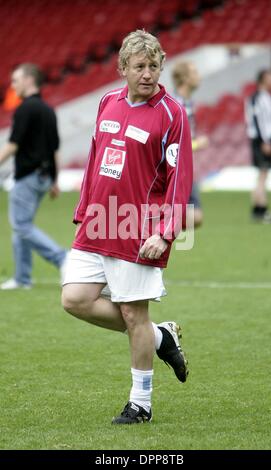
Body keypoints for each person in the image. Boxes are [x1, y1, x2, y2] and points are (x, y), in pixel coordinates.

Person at [61, 30, 193, 425]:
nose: (148, 74)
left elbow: (179, 179)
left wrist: (165, 232)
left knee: (134, 316)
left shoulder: (172, 113)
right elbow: (95, 158)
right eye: (140, 67)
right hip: (97, 222)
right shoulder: (106, 102)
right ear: (123, 69)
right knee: (75, 299)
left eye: (154, 66)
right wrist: (84, 209)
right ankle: (161, 337)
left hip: (139, 228)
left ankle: (141, 403)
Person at [0, 63, 68, 289]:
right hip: (44, 177)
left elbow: (12, 146)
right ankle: (22, 278)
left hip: (27, 175)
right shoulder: (48, 110)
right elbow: (55, 148)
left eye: (16, 80)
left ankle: (62, 258)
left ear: (29, 79)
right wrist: (55, 179)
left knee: (21, 225)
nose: (13, 85)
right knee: (22, 225)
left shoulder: (25, 109)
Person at [172, 61, 208, 228]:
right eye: (195, 72)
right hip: (175, 170)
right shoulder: (175, 106)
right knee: (194, 216)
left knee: (196, 217)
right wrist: (196, 144)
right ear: (185, 78)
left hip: (186, 168)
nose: (199, 76)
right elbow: (173, 144)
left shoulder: (187, 103)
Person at [245, 68, 271, 223]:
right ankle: (262, 209)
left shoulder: (266, 97)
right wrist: (265, 140)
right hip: (261, 141)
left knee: (263, 174)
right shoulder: (256, 98)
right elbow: (258, 122)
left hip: (266, 140)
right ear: (263, 79)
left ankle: (257, 209)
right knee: (262, 174)